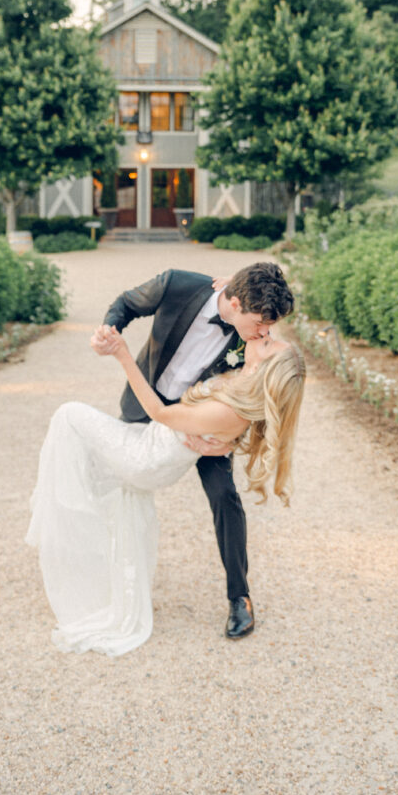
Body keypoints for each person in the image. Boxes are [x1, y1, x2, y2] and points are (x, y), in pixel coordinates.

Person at [26, 329, 305, 656]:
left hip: (146, 456)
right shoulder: (244, 380)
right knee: (92, 467)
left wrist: (123, 355)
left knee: (68, 414)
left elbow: (161, 413)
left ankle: (68, 528)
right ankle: (81, 549)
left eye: (269, 344)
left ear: (264, 370)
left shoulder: (231, 409)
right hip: (150, 442)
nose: (264, 333)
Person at [95, 262, 295, 639]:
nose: (266, 332)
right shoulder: (177, 284)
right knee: (123, 482)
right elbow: (126, 304)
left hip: (204, 420)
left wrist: (230, 439)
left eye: (269, 325)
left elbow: (258, 396)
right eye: (261, 323)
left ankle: (240, 597)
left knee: (224, 496)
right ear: (234, 302)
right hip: (145, 403)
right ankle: (119, 578)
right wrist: (109, 331)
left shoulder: (249, 336)